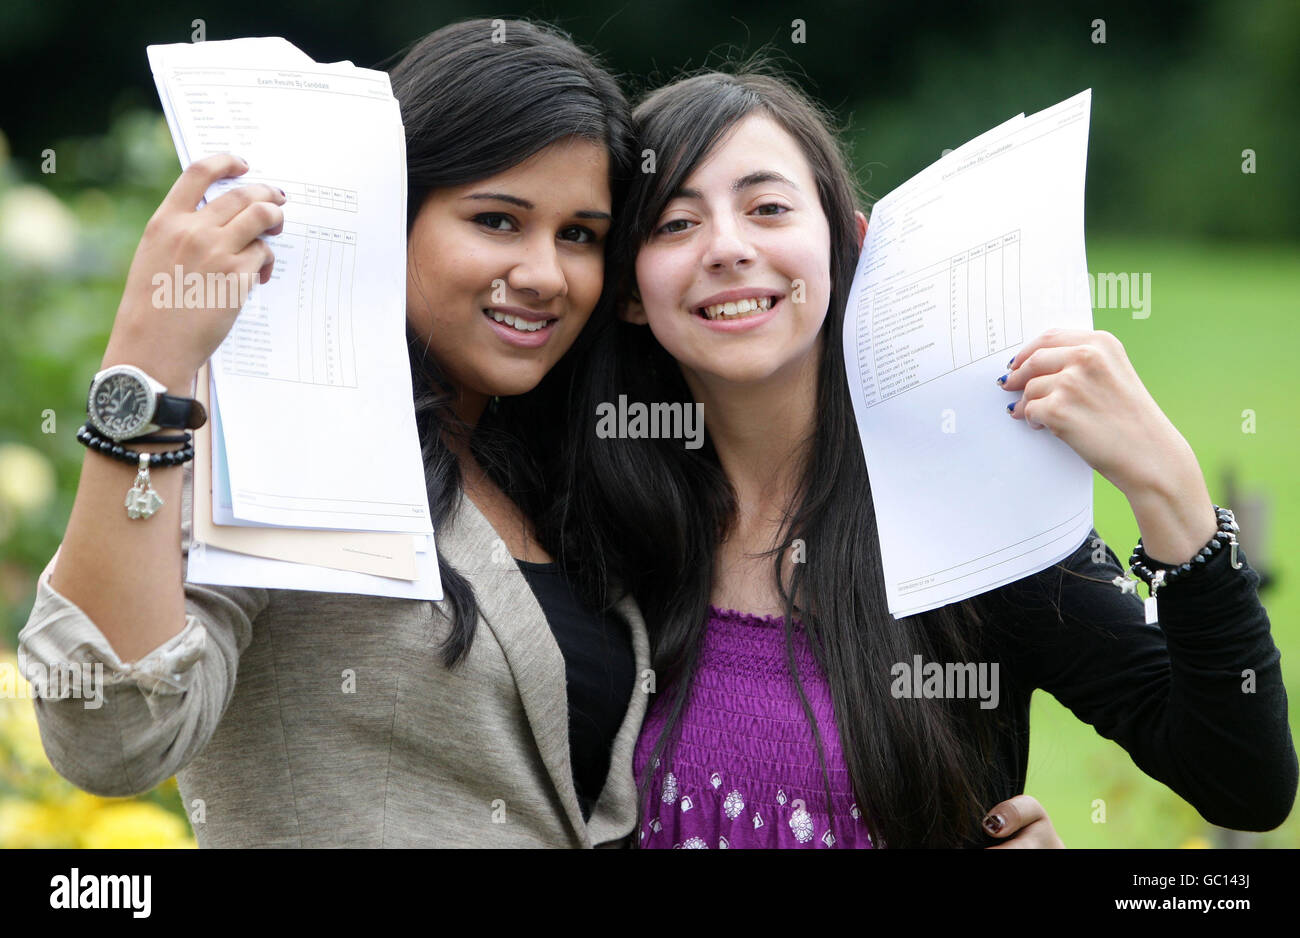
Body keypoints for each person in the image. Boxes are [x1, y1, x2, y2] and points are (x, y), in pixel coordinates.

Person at [560, 67, 1297, 848]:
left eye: (768, 208)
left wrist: (1167, 481)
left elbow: (1243, 781)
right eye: (675, 224)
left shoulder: (969, 508)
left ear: (849, 244)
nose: (728, 248)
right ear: (629, 290)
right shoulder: (591, 520)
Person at [18, 18, 647, 847]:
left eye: (580, 236)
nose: (543, 274)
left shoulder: (562, 472)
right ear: (393, 212)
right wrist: (145, 369)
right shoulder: (277, 431)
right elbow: (111, 735)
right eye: (497, 220)